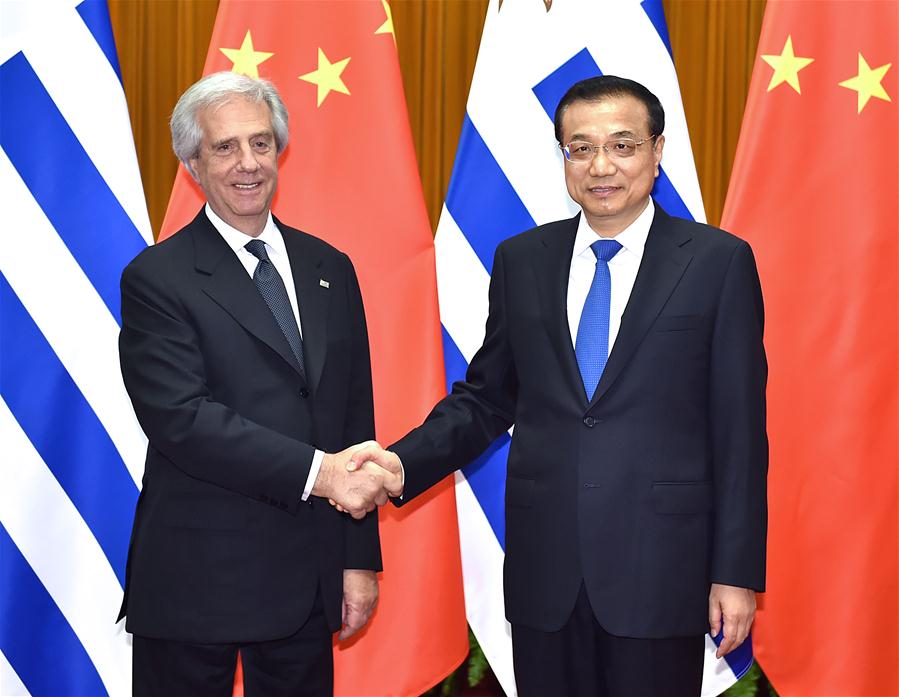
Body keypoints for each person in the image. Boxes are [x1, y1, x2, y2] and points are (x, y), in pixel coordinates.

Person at [350, 75, 768, 696]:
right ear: (564, 158)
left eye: (622, 146)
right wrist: (398, 464)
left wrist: (734, 572)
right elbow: (488, 398)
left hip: (661, 568)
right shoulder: (523, 259)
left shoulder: (717, 262)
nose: (601, 165)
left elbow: (739, 430)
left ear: (657, 153)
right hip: (547, 572)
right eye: (580, 148)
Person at [117, 71, 400, 697]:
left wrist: (357, 559)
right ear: (193, 163)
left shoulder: (329, 266)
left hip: (306, 579)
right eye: (225, 148)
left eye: (261, 143)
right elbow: (182, 419)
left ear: (280, 150)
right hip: (196, 581)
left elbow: (353, 417)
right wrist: (323, 475)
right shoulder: (156, 277)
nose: (248, 163)